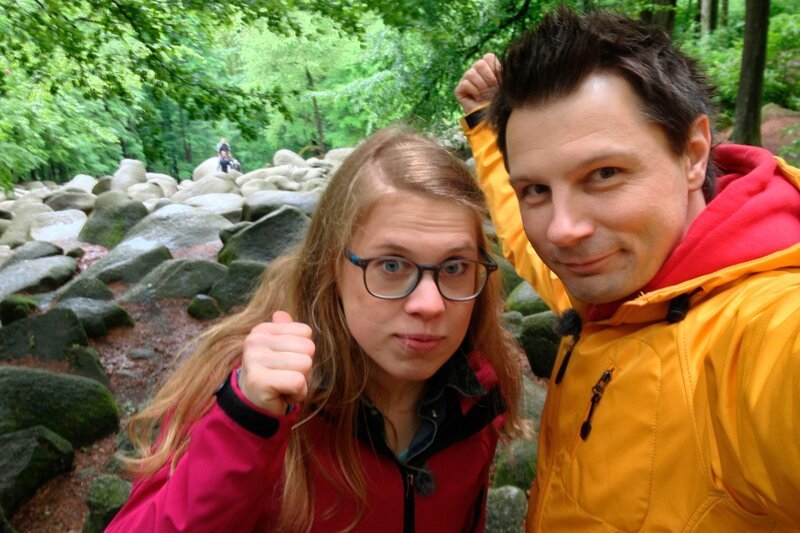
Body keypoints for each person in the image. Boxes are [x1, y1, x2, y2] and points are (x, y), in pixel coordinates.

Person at [455, 6, 800, 531]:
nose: (562, 230)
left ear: (692, 152)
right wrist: (485, 124)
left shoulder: (758, 329)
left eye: (604, 174)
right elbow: (525, 241)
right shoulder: (611, 281)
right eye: (538, 190)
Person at [107, 126, 525, 532]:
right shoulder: (245, 393)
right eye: (391, 266)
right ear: (332, 267)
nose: (430, 305)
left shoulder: (479, 395)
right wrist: (243, 428)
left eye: (454, 267)